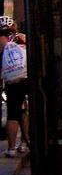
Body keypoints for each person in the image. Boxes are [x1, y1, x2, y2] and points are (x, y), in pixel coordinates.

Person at [1, 25, 28, 157]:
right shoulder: (22, 38)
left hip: (12, 82)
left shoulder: (2, 43)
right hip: (26, 77)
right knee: (23, 111)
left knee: (12, 113)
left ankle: (11, 148)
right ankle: (24, 144)